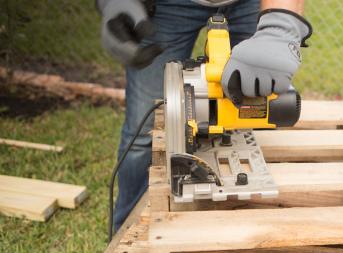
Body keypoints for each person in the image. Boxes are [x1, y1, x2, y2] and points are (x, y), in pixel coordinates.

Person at [96, 0, 312, 231]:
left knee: (255, 94)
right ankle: (127, 232)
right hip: (168, 6)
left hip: (253, 3)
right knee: (142, 133)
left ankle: (250, 228)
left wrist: (279, 27)